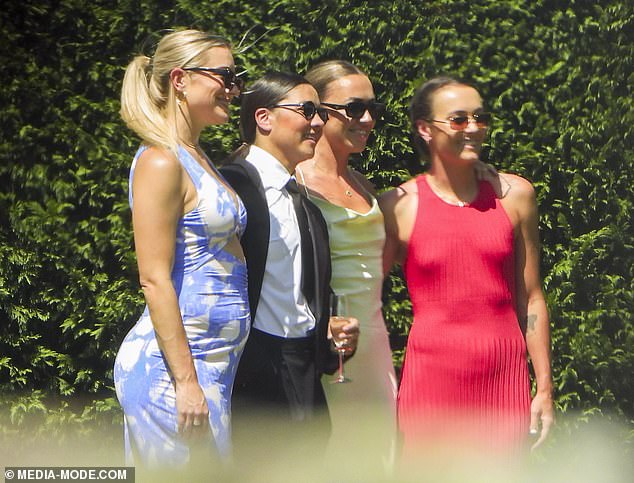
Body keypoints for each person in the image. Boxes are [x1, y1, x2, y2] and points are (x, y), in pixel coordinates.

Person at [380, 76, 554, 458]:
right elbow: (365, 297)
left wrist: (543, 388)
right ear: (425, 129)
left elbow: (531, 298)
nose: (474, 128)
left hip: (502, 377)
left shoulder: (515, 196)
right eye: (458, 119)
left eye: (480, 117)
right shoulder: (397, 206)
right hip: (431, 380)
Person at [113, 29, 250, 468]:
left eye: (237, 77)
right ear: (180, 79)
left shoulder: (196, 155)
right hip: (171, 374)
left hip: (210, 368)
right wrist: (186, 383)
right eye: (225, 76)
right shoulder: (161, 160)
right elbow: (153, 280)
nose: (234, 88)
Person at [219, 72, 360, 459]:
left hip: (303, 378)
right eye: (307, 110)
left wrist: (326, 328)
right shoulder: (228, 191)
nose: (318, 122)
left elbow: (296, 294)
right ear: (263, 118)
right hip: (252, 378)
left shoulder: (305, 206)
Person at [295, 60, 397, 468]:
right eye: (354, 108)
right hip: (326, 348)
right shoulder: (294, 183)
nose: (368, 119)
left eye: (372, 108)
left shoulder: (363, 184)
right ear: (318, 111)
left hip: (374, 347)